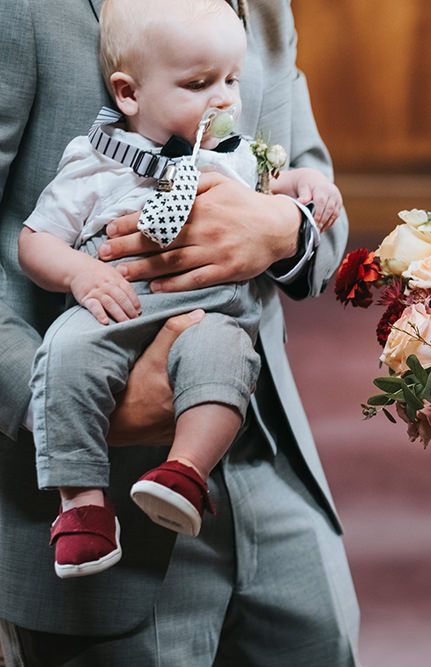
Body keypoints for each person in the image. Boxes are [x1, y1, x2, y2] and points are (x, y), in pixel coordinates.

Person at [0, 0, 359, 664]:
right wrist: (50, 397)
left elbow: (315, 196)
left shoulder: (266, 9)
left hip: (265, 451)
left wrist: (284, 230)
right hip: (99, 471)